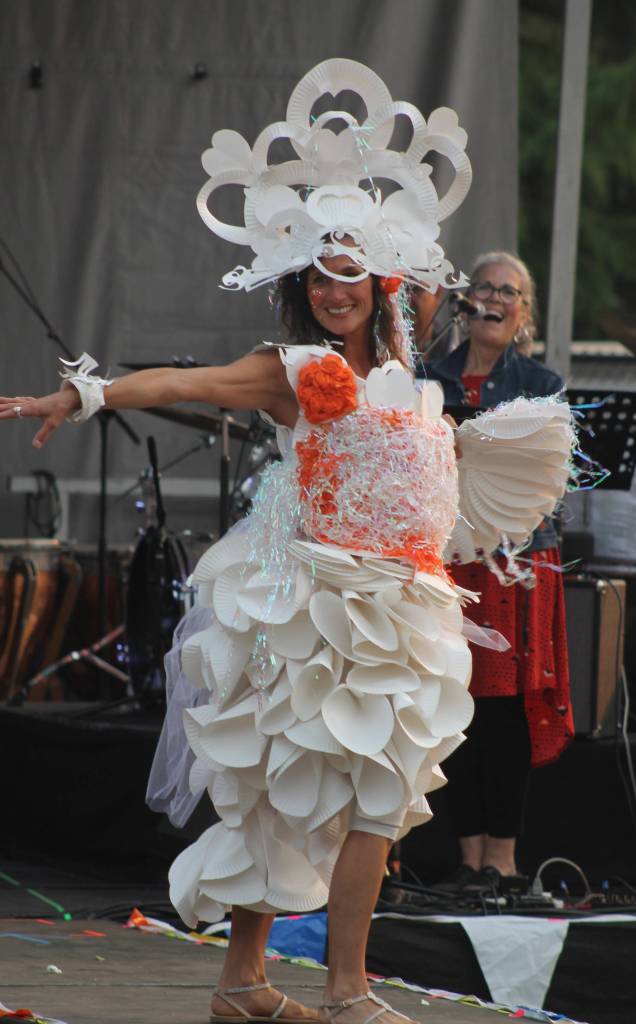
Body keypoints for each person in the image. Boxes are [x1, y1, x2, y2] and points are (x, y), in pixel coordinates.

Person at [0, 62, 572, 1024]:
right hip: (316, 604)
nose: (334, 288)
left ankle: (244, 985)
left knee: (360, 801)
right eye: (318, 272)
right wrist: (87, 394)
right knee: (305, 798)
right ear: (301, 285)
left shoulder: (414, 378)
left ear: (386, 281)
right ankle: (340, 990)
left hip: (406, 604)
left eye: (352, 271)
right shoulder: (298, 368)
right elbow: (192, 385)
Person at [418, 251, 575, 891]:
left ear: (524, 312)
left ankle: (502, 862)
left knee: (506, 709)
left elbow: (549, 483)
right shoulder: (429, 376)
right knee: (454, 703)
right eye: (483, 286)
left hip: (516, 563)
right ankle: (466, 857)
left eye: (507, 291)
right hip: (449, 558)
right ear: (464, 300)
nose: (493, 298)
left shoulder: (542, 383)